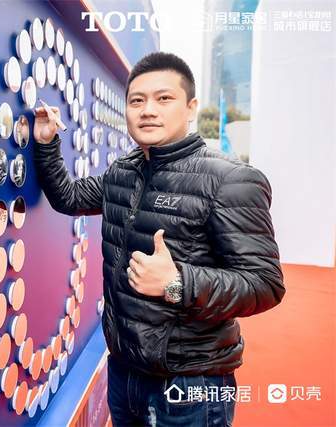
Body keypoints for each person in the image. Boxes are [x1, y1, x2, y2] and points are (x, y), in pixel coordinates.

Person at [33, 52, 285, 427]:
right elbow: (69, 198)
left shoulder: (231, 180)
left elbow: (265, 284)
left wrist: (176, 282)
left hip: (190, 382)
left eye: (164, 98)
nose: (148, 110)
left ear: (190, 107)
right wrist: (46, 143)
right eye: (137, 100)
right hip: (124, 372)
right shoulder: (123, 172)